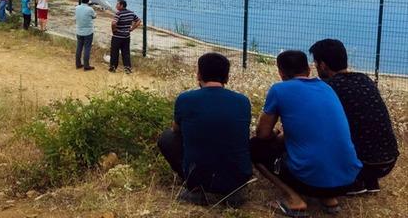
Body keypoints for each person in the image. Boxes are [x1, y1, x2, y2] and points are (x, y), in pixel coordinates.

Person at [250, 50, 361, 217]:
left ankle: (294, 200)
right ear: (309, 69)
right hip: (348, 180)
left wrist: (274, 134)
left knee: (255, 147)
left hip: (312, 181)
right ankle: (329, 200)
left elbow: (262, 134)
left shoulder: (280, 90)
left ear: (280, 72)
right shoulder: (327, 88)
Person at [158, 53, 252, 206]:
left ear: (199, 75)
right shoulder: (242, 101)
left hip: (199, 176)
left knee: (167, 138)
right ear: (227, 77)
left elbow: (176, 130)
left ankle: (195, 190)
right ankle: (234, 192)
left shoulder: (185, 99)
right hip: (238, 178)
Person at [310, 39, 399, 194]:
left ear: (323, 65)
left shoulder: (328, 88)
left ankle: (354, 182)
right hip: (389, 160)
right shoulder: (364, 79)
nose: (316, 68)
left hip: (361, 163)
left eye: (316, 64)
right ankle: (369, 181)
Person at [110, 0, 141, 74]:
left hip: (117, 37)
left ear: (121, 5)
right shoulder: (131, 13)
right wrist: (131, 29)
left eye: (117, 4)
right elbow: (139, 21)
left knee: (114, 52)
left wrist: (114, 30)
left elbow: (113, 23)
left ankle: (113, 68)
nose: (116, 6)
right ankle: (127, 68)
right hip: (126, 37)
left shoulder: (118, 14)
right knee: (126, 53)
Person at [74, 0, 96, 71]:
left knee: (79, 48)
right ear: (88, 0)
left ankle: (78, 64)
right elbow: (94, 16)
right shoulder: (90, 9)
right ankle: (86, 66)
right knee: (87, 48)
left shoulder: (76, 8)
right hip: (88, 32)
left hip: (79, 31)